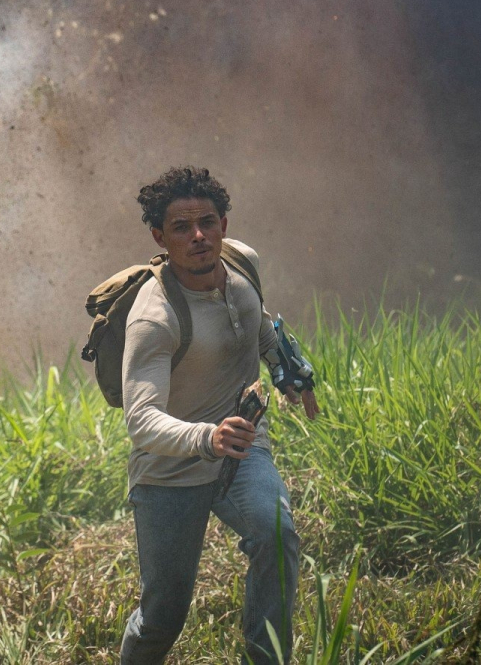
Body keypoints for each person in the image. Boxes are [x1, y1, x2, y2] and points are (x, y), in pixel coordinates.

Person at [119, 167, 319, 664]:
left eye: (207, 221)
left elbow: (259, 326)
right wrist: (208, 438)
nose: (199, 236)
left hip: (242, 452)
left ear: (225, 223)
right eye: (182, 228)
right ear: (159, 237)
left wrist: (287, 369)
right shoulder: (153, 317)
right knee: (163, 615)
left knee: (277, 536)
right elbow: (141, 420)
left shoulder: (243, 264)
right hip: (170, 470)